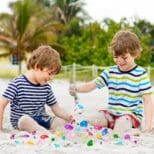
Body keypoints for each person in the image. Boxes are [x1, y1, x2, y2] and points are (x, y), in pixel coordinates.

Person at [69, 30, 153, 133]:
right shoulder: (110, 72)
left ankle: (131, 131)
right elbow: (91, 85)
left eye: (124, 57)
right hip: (111, 114)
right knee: (92, 118)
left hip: (130, 117)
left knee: (122, 123)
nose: (119, 61)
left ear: (134, 54)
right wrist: (77, 88)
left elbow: (148, 101)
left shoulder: (141, 74)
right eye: (116, 57)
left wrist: (148, 125)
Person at [0, 45, 72, 134]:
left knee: (62, 122)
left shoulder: (46, 87)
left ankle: (43, 131)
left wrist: (68, 117)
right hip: (22, 121)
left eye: (53, 74)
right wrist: (0, 128)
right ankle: (45, 134)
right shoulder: (17, 83)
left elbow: (56, 108)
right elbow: (1, 104)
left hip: (42, 119)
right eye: (50, 73)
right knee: (25, 120)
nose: (51, 78)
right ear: (37, 66)